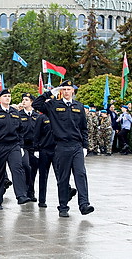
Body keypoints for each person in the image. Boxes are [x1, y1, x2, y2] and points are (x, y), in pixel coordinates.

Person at [32, 80, 94, 217]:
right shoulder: (54, 105)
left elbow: (84, 128)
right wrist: (50, 93)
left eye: (69, 89)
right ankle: (63, 206)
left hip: (77, 145)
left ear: (73, 91)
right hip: (61, 146)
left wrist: (85, 146)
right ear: (61, 91)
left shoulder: (79, 106)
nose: (66, 92)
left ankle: (84, 204)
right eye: (64, 89)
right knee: (63, 177)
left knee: (80, 174)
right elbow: (36, 104)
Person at [0, 88, 30, 210]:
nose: (7, 98)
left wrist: (20, 145)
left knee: (18, 168)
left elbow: (20, 130)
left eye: (9, 96)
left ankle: (21, 195)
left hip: (13, 145)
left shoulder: (15, 112)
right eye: (5, 96)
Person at [19, 93, 39, 201]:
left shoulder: (37, 116)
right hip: (23, 146)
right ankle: (25, 189)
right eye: (23, 100)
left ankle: (31, 191)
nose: (24, 102)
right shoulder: (19, 115)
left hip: (34, 146)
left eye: (26, 100)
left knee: (34, 169)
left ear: (31, 102)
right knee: (26, 166)